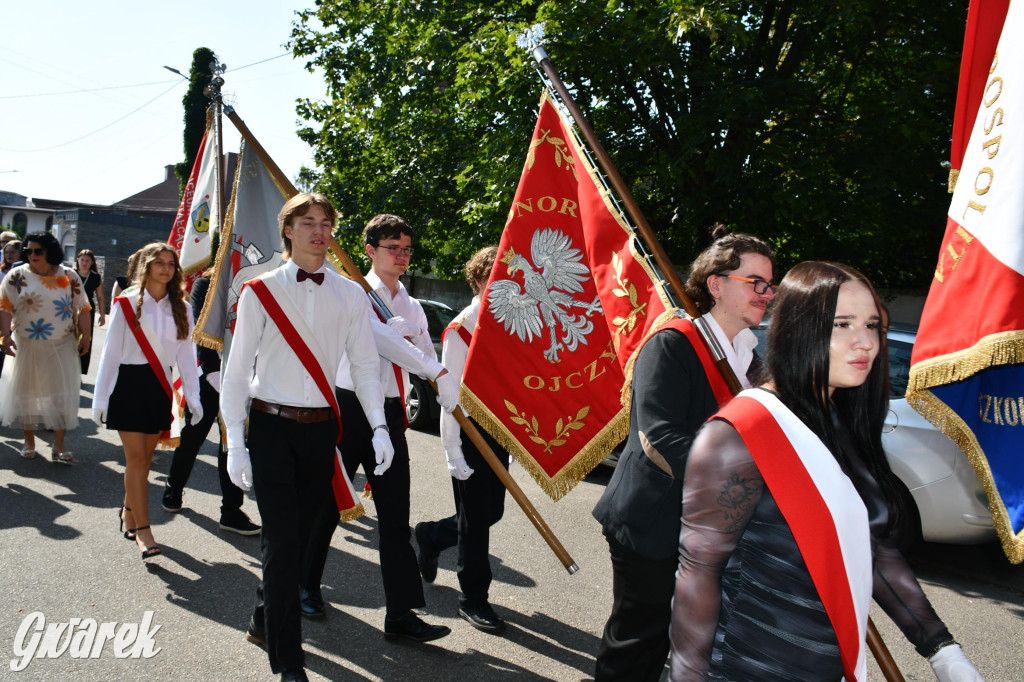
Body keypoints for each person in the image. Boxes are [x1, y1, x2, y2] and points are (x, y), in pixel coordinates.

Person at [668, 261, 984, 682]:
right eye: (842, 325)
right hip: (745, 668)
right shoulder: (740, 434)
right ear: (799, 329)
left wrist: (943, 651)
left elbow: (872, 549)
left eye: (872, 325)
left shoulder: (843, 421)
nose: (865, 342)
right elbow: (697, 573)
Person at [220, 193, 392, 682]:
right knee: (279, 541)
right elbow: (236, 373)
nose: (319, 231)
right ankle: (289, 662)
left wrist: (379, 425)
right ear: (288, 230)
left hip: (322, 433)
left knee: (296, 542)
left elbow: (363, 367)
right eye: (308, 222)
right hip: (271, 428)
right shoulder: (259, 292)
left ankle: (263, 617)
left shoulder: (352, 294)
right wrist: (235, 439)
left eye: (326, 223)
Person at [591, 229, 776, 681]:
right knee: (639, 640)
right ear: (716, 284)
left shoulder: (751, 358)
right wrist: (747, 478)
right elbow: (662, 439)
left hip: (709, 523)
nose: (766, 294)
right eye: (755, 282)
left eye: (770, 285)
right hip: (654, 520)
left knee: (689, 639)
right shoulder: (673, 343)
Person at [298, 213, 459, 643]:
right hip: (347, 408)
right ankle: (304, 586)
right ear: (370, 251)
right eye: (393, 248)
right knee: (327, 504)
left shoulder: (412, 304)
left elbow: (422, 350)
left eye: (407, 248)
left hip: (388, 413)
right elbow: (383, 346)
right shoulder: (353, 292)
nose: (402, 256)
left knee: (394, 516)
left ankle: (401, 614)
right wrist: (418, 357)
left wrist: (434, 366)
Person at [414, 245, 512, 634]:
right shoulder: (461, 330)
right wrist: (452, 449)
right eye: (494, 278)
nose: (501, 285)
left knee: (491, 513)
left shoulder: (507, 325)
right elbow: (448, 398)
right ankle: (473, 598)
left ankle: (431, 535)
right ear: (477, 281)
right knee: (476, 523)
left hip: (499, 431)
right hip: (469, 433)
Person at [92, 242, 202, 560]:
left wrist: (193, 398)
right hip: (128, 385)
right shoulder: (126, 303)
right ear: (147, 266)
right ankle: (144, 530)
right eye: (160, 263)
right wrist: (100, 398)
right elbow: (110, 354)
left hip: (159, 388)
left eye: (171, 263)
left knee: (144, 461)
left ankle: (128, 510)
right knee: (137, 461)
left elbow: (186, 356)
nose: (166, 268)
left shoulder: (182, 307)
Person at [161, 270, 260, 536]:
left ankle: (231, 510)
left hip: (244, 376)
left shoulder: (256, 281)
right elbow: (201, 329)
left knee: (233, 442)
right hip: (210, 375)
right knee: (193, 435)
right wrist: (214, 373)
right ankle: (174, 487)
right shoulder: (206, 284)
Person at [0, 232, 91, 462]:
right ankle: (29, 441)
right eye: (28, 251)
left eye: (37, 251)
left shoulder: (68, 276)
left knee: (61, 395)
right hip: (25, 344)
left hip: (62, 344)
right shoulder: (16, 275)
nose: (32, 255)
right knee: (26, 395)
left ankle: (59, 445)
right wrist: (5, 336)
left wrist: (87, 336)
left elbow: (83, 307)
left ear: (49, 251)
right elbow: (4, 306)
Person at [75, 248, 106, 374]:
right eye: (82, 260)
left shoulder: (95, 277)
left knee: (85, 338)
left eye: (87, 261)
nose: (84, 263)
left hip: (87, 310)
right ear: (78, 260)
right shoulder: (71, 274)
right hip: (71, 309)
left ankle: (80, 370)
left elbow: (100, 297)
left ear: (92, 262)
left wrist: (102, 315)